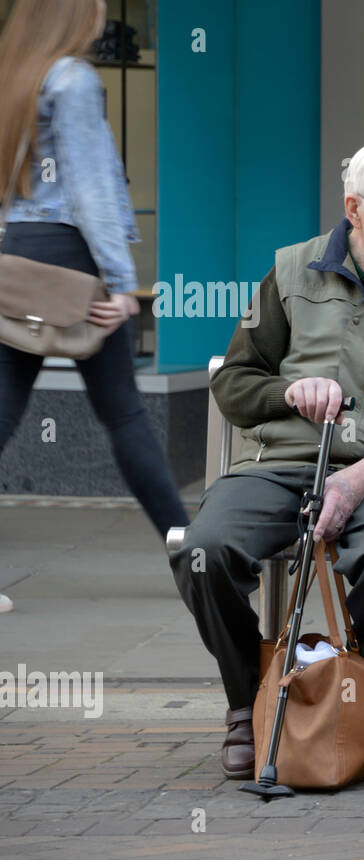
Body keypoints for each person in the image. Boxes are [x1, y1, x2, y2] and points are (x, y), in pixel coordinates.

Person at [171, 140, 364, 778]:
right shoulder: (290, 272)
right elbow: (233, 382)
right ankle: (245, 702)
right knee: (204, 551)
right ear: (354, 210)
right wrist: (286, 391)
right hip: (280, 463)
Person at [0, 0, 188, 616]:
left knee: (6, 413)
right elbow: (89, 189)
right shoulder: (73, 80)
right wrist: (120, 282)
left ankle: (195, 555)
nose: (105, 18)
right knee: (124, 416)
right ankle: (196, 558)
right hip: (68, 259)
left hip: (17, 257)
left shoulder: (15, 74)